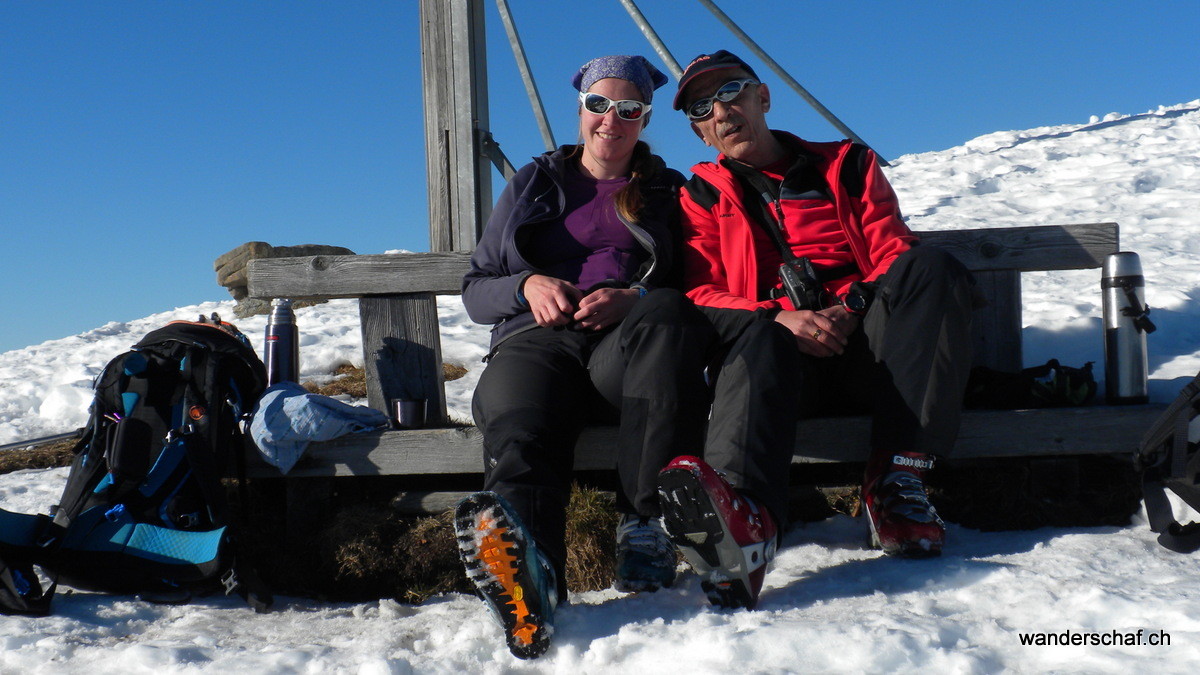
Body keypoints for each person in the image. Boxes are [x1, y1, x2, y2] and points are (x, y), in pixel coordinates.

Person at [655, 50, 979, 610]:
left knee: (933, 267)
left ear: (763, 96)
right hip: (781, 367)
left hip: (869, 353)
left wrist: (848, 307)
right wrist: (778, 317)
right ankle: (746, 525)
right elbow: (702, 290)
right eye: (701, 108)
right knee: (756, 337)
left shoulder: (846, 165)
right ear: (699, 132)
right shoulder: (700, 196)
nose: (721, 112)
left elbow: (894, 250)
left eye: (730, 92)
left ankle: (897, 484)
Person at [455, 55, 717, 659]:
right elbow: (476, 289)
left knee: (667, 316)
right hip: (536, 342)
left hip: (623, 354)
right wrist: (525, 286)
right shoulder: (535, 182)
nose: (611, 119)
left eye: (629, 109)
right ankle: (530, 572)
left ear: (645, 119)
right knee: (520, 420)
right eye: (600, 105)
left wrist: (637, 298)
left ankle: (643, 528)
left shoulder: (665, 191)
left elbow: (695, 283)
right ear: (580, 110)